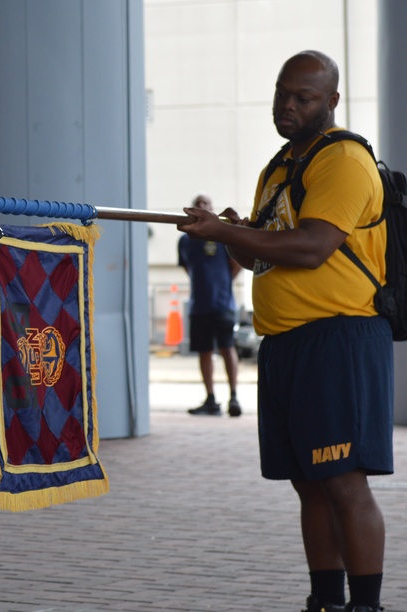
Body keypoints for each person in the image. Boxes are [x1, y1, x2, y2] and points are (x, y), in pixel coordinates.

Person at [176, 51, 392, 612]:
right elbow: (262, 259)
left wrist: (229, 230)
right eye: (282, 93)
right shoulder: (278, 167)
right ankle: (324, 599)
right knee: (309, 481)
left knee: (344, 481)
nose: (288, 105)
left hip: (337, 338)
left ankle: (366, 604)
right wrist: (234, 234)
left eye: (304, 97)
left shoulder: (343, 159)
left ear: (332, 102)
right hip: (286, 343)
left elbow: (313, 246)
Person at [177, 194, 243, 417]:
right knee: (204, 351)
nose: (202, 207)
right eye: (198, 205)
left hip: (223, 303)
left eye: (206, 205)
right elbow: (188, 267)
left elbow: (237, 264)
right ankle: (211, 399)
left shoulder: (222, 236)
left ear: (212, 210)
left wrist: (222, 284)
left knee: (227, 348)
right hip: (199, 305)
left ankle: (234, 396)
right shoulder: (185, 239)